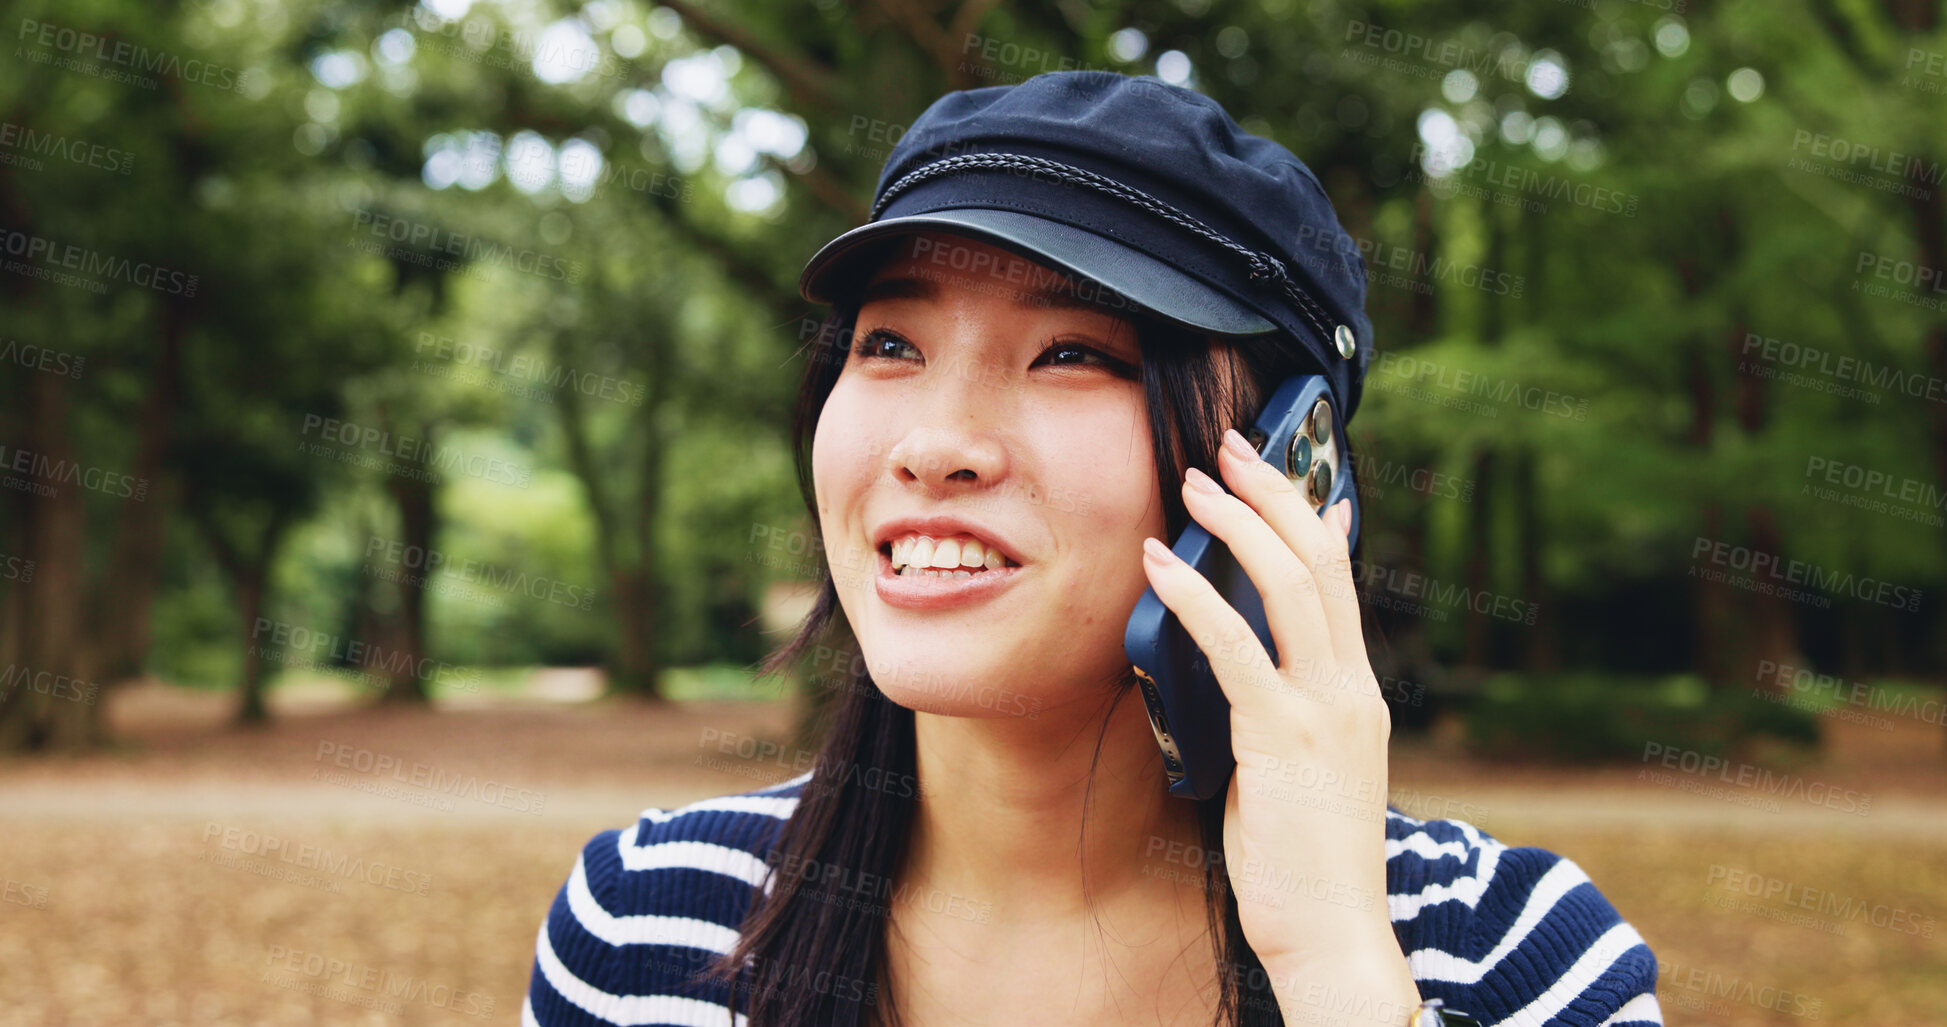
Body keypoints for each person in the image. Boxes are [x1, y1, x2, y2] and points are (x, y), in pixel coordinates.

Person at [524, 70, 1661, 1027]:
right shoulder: (648, 925)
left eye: (1073, 353)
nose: (934, 443)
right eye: (888, 343)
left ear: (1290, 465)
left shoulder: (1504, 956)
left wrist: (1336, 970)